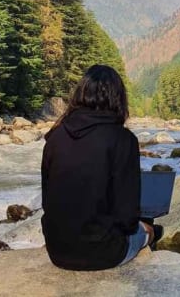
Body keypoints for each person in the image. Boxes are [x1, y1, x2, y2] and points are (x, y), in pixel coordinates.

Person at [41, 64, 160, 270]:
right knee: (151, 229)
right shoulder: (123, 139)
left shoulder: (55, 137)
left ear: (80, 94)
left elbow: (47, 200)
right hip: (103, 254)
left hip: (57, 251)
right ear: (118, 98)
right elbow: (127, 217)